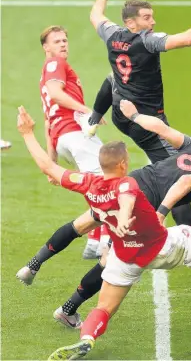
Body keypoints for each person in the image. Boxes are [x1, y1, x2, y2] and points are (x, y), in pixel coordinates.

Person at [15, 106, 191, 361]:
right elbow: (130, 197)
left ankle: (84, 336)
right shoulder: (130, 185)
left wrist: (27, 133)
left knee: (104, 304)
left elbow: (48, 168)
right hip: (158, 246)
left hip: (124, 255)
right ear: (122, 163)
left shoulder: (89, 182)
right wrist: (152, 213)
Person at [86, 0, 191, 273]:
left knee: (112, 80)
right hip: (144, 121)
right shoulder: (146, 41)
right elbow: (188, 39)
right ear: (132, 23)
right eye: (147, 17)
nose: (153, 21)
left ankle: (94, 119)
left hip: (123, 112)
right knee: (180, 173)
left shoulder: (112, 35)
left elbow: (96, 15)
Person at [39, 25, 108, 259]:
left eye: (65, 40)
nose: (63, 44)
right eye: (57, 41)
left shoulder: (45, 76)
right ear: (46, 47)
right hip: (75, 135)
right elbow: (57, 95)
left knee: (93, 184)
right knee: (109, 183)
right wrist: (90, 112)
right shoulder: (54, 65)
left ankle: (94, 241)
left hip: (63, 140)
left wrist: (52, 163)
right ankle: (104, 241)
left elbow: (48, 120)